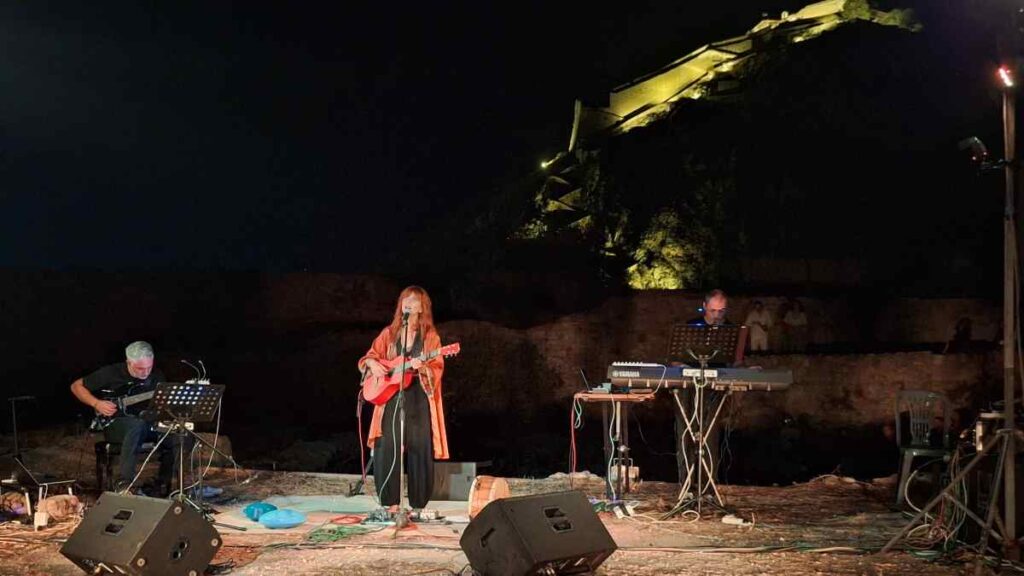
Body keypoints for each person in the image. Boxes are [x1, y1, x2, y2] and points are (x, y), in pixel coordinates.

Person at [358, 286, 450, 511]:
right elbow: (369, 357)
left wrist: (423, 367)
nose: (408, 303)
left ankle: (418, 505)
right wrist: (372, 364)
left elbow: (437, 367)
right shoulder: (389, 334)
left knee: (419, 447)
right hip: (391, 396)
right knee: (387, 446)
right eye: (405, 299)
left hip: (418, 397)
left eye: (414, 300)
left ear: (422, 308)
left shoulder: (430, 337)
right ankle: (390, 503)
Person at [70, 341, 187, 496]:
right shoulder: (112, 373)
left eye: (149, 367)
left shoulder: (157, 375)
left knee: (180, 433)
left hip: (148, 424)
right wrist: (96, 403)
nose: (146, 372)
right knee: (136, 425)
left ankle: (164, 485)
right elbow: (76, 386)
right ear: (128, 362)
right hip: (116, 424)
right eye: (140, 368)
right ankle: (124, 485)